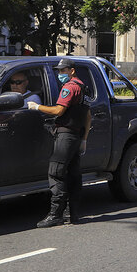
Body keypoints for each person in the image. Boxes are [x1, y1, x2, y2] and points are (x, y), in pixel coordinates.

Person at [28, 59, 89, 227]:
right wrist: (84, 139)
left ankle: (56, 215)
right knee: (73, 174)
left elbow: (58, 110)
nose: (60, 73)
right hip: (76, 136)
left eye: (63, 70)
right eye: (59, 70)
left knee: (56, 173)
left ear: (72, 71)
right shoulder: (84, 87)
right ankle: (73, 214)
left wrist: (36, 107)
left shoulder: (69, 88)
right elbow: (87, 116)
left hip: (66, 135)